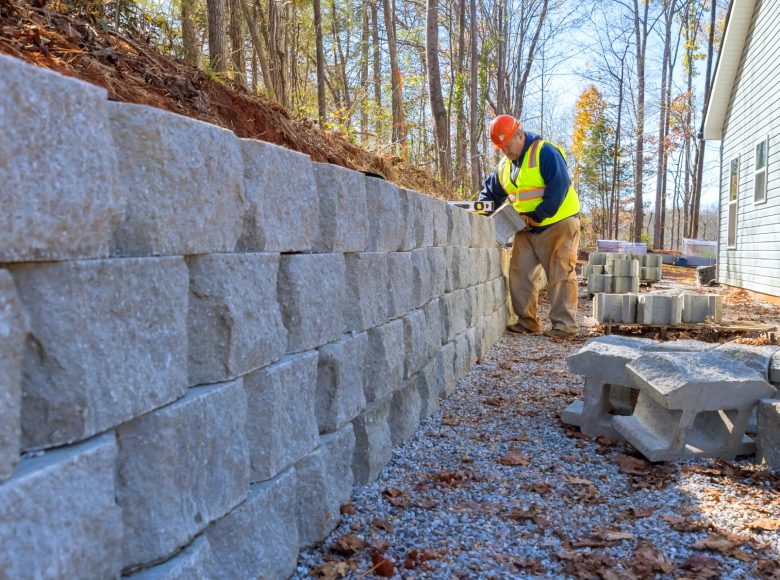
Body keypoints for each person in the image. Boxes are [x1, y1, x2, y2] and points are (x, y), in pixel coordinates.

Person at [478, 114, 581, 338]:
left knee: (560, 274)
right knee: (519, 273)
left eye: (508, 145)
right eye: (501, 148)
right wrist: (477, 212)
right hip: (525, 227)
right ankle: (527, 322)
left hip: (558, 223)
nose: (505, 151)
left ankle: (564, 327)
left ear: (520, 135)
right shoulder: (504, 167)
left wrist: (538, 215)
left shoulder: (545, 152)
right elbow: (490, 194)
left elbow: (559, 187)